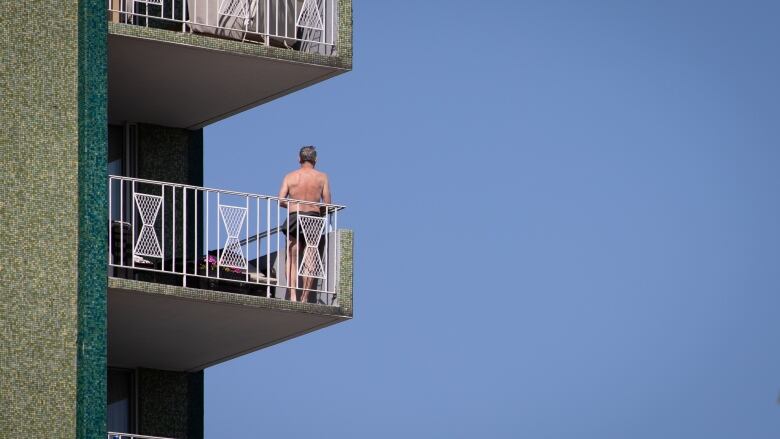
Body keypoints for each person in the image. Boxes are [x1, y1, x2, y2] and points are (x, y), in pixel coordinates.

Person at [278, 146, 332, 302]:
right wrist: (316, 208)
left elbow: (281, 200)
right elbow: (327, 203)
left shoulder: (290, 176)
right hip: (313, 217)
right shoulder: (322, 177)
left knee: (292, 256)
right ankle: (305, 296)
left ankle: (292, 294)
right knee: (310, 257)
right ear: (315, 159)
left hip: (295, 216)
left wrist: (295, 204)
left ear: (298, 158)